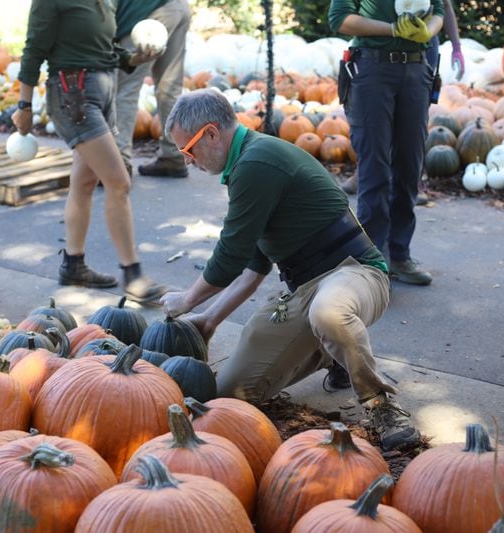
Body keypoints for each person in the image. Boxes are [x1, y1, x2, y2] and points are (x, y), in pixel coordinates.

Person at [160, 89, 421, 452]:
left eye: (187, 150)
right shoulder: (245, 165)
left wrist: (187, 300)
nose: (188, 161)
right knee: (233, 393)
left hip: (356, 273)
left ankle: (381, 405)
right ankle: (337, 353)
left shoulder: (257, 163)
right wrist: (208, 320)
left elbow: (230, 255)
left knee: (329, 312)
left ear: (210, 134)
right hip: (303, 288)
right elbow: (252, 268)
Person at [13, 0, 167, 302]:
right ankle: (133, 275)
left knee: (83, 183)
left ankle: (73, 265)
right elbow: (33, 51)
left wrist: (134, 58)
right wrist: (24, 105)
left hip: (102, 91)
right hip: (74, 96)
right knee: (119, 182)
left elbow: (104, 48)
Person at [329, 2, 444, 286]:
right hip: (371, 68)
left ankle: (400, 255)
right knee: (375, 169)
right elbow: (340, 19)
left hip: (417, 70)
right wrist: (392, 29)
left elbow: (439, 10)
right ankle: (372, 261)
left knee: (409, 168)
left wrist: (426, 31)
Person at [115, 0, 191, 178]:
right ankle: (173, 155)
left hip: (146, 14)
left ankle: (119, 164)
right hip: (177, 7)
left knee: (126, 88)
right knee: (170, 86)